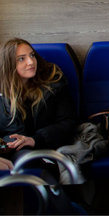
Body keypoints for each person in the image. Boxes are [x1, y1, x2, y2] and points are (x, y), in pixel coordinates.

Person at [0, 38, 77, 176]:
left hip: (42, 147)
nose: (31, 62)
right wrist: (4, 146)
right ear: (8, 65)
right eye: (21, 59)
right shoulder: (2, 95)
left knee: (30, 165)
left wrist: (35, 139)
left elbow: (68, 123)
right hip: (9, 153)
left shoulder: (53, 84)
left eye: (32, 55)